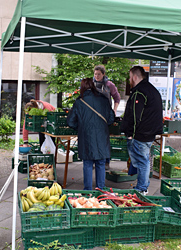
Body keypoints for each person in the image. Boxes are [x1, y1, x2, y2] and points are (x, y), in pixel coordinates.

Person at [121, 66, 163, 195]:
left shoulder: (140, 91)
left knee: (142, 161)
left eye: (130, 77)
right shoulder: (151, 90)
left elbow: (135, 116)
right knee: (144, 160)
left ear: (134, 77)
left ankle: (142, 188)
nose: (129, 80)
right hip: (149, 133)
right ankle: (143, 186)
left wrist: (130, 135)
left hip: (141, 134)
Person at [67, 78, 115, 190]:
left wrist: (81, 127)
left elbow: (70, 122)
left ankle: (87, 192)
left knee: (87, 164)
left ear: (82, 88)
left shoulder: (79, 102)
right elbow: (111, 119)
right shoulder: (104, 100)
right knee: (101, 163)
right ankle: (101, 190)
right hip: (102, 136)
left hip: (86, 137)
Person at [93, 65, 121, 169]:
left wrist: (114, 110)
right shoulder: (91, 85)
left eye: (99, 74)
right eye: (95, 74)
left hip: (105, 116)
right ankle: (94, 160)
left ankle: (106, 162)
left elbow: (117, 98)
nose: (96, 76)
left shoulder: (109, 85)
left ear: (103, 74)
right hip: (93, 116)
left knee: (105, 140)